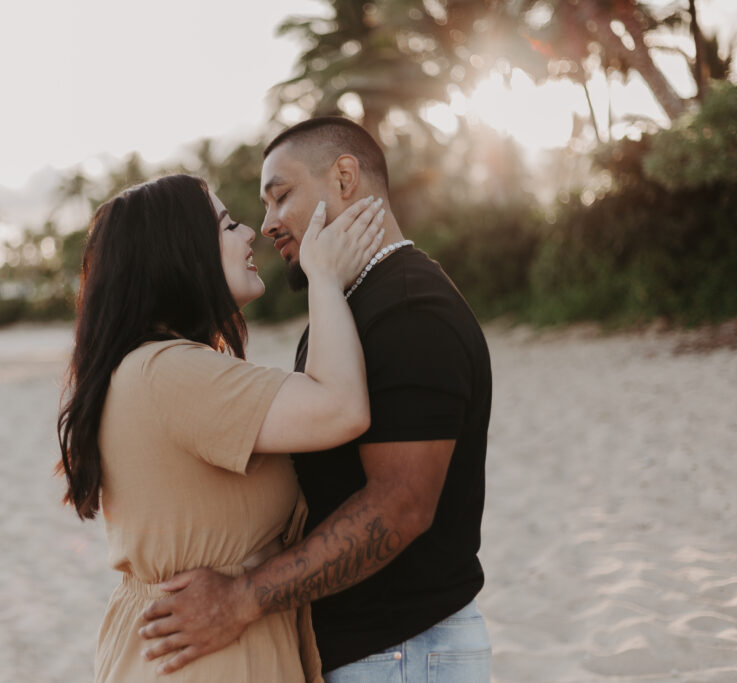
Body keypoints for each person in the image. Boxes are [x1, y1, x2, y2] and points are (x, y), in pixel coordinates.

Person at [139, 118, 493, 682]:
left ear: (345, 177)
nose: (267, 223)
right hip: (381, 653)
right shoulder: (352, 305)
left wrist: (244, 598)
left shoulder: (409, 311)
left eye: (281, 196)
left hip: (404, 651)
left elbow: (399, 506)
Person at [56, 173, 388, 682]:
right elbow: (340, 407)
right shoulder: (170, 373)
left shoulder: (154, 367)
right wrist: (324, 278)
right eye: (227, 225)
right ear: (179, 252)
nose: (249, 233)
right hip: (206, 659)